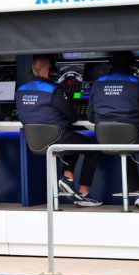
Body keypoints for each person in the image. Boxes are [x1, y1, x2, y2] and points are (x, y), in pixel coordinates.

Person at [16, 55, 102, 207]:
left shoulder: (21, 90)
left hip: (34, 142)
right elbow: (72, 116)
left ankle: (67, 179)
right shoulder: (53, 90)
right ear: (45, 70)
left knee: (74, 142)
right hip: (57, 138)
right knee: (92, 148)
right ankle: (84, 193)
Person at [88, 51, 139, 209]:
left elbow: (91, 117)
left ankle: (138, 191)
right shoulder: (136, 82)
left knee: (124, 149)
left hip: (104, 137)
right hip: (132, 133)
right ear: (132, 66)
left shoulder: (97, 83)